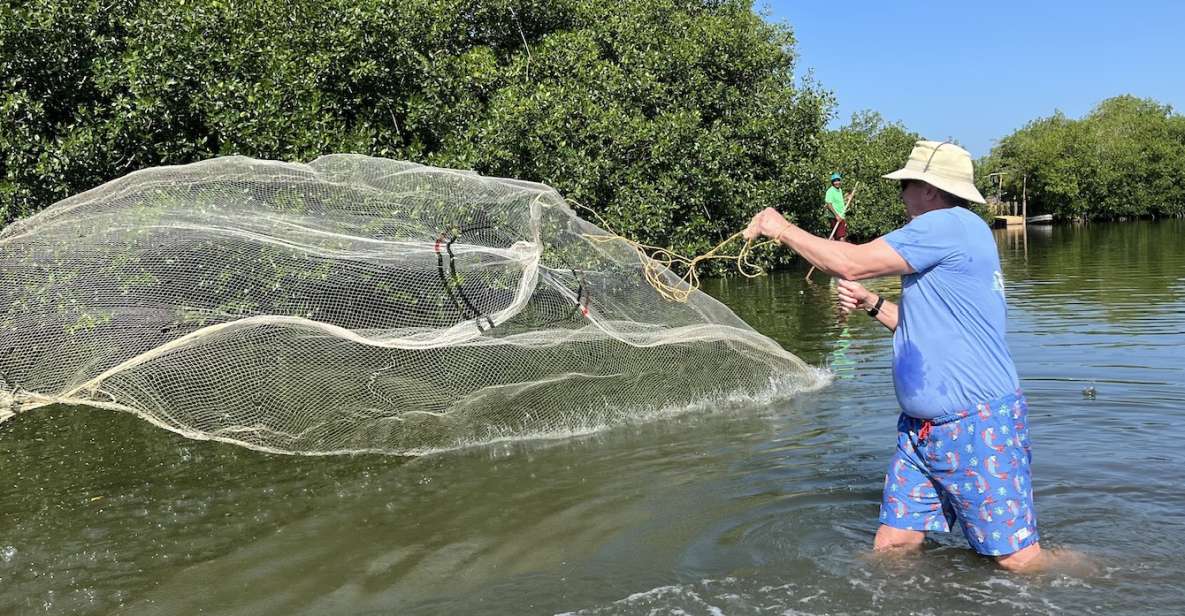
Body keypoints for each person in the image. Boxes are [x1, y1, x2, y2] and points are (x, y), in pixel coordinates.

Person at [743, 140, 1056, 572]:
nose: (901, 195)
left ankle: (1112, 585)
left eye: (904, 185)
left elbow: (849, 261)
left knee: (1019, 561)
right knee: (893, 547)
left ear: (928, 188)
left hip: (973, 424)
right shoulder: (959, 232)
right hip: (920, 433)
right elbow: (925, 329)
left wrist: (781, 228)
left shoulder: (946, 224)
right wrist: (873, 303)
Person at [824, 172, 849, 242]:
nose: (837, 182)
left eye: (838, 180)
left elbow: (839, 201)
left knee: (836, 236)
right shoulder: (830, 191)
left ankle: (834, 251)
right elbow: (828, 204)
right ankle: (843, 251)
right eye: (835, 181)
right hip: (835, 217)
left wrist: (846, 198)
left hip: (841, 216)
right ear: (832, 182)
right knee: (842, 236)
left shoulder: (839, 190)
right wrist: (836, 215)